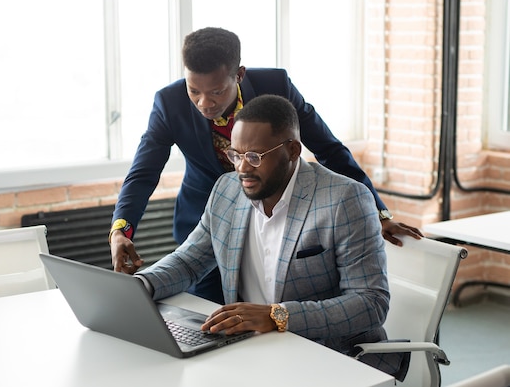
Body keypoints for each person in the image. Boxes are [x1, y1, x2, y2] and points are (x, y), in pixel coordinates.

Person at [110, 27, 422, 304]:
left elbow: (329, 148)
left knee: (272, 306)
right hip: (208, 218)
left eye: (216, 91)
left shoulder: (276, 85)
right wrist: (121, 230)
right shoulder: (170, 103)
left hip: (277, 215)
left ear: (239, 75)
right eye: (195, 91)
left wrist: (377, 211)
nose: (205, 103)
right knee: (209, 318)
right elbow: (143, 172)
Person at [133, 94, 403, 376]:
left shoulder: (344, 198)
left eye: (254, 156)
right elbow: (189, 261)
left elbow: (370, 303)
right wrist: (141, 286)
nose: (242, 167)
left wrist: (277, 315)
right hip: (250, 353)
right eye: (235, 154)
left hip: (329, 358)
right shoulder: (227, 190)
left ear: (292, 151)